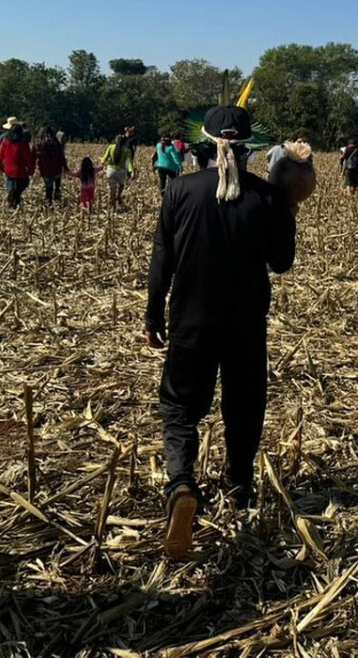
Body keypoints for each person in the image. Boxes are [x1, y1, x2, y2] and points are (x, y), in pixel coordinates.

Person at [144, 104, 297, 559]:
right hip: (246, 323)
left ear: (206, 144)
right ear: (248, 147)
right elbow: (282, 263)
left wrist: (153, 316)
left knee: (179, 405)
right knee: (244, 406)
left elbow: (161, 260)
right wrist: (288, 206)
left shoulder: (181, 191)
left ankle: (182, 484)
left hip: (190, 320)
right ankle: (239, 486)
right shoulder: (266, 197)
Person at [0, 123, 34, 209]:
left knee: (10, 186)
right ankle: (15, 200)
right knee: (23, 185)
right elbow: (28, 158)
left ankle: (11, 199)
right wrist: (31, 170)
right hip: (21, 171)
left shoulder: (5, 142)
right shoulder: (23, 144)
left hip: (8, 170)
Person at [33, 126, 68, 205]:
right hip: (56, 168)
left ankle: (48, 201)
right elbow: (61, 156)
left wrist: (31, 167)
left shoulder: (38, 143)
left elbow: (33, 156)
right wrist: (65, 167)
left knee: (48, 186)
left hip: (45, 169)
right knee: (57, 182)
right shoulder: (55, 142)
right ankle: (56, 195)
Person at [101, 134, 134, 211]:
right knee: (121, 185)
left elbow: (104, 158)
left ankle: (113, 208)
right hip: (121, 172)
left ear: (116, 140)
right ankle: (119, 195)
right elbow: (129, 162)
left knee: (112, 191)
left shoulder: (110, 147)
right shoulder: (127, 150)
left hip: (110, 171)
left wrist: (102, 163)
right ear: (125, 142)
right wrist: (131, 171)